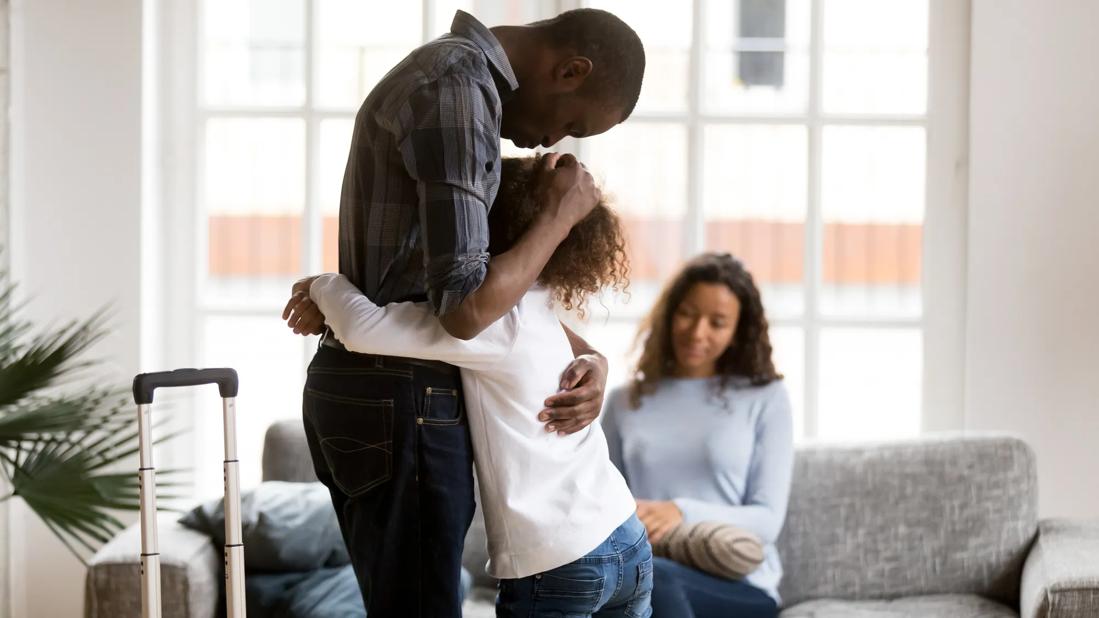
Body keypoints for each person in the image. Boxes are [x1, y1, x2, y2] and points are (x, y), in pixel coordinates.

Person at [282, 9, 645, 615]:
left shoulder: (460, 88)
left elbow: (511, 315)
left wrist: (592, 355)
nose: (554, 141)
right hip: (398, 389)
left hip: (394, 380)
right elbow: (467, 309)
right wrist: (561, 216)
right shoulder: (455, 89)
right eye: (573, 121)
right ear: (570, 70)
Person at [601, 253, 794, 618]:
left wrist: (680, 511)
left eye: (717, 322)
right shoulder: (625, 401)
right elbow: (602, 501)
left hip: (740, 585)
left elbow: (768, 520)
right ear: (670, 314)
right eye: (688, 314)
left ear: (738, 332)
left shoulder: (765, 397)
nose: (697, 332)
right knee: (635, 579)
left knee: (655, 581)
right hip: (649, 566)